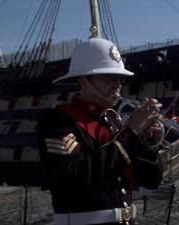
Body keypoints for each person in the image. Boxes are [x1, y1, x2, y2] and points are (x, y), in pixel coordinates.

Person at [36, 37, 163, 225]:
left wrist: (147, 144)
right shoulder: (57, 120)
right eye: (108, 77)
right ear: (83, 80)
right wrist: (132, 131)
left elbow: (151, 181)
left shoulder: (112, 120)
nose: (117, 84)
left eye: (120, 78)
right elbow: (74, 178)